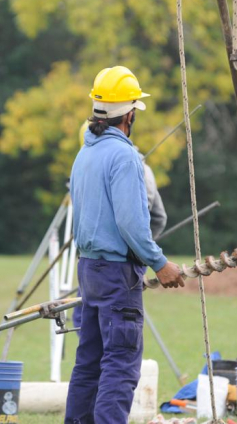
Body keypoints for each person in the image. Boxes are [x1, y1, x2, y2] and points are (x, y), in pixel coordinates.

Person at [65, 66, 184, 424]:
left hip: (87, 270)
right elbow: (132, 223)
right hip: (117, 275)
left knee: (88, 364)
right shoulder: (125, 156)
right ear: (130, 114)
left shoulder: (84, 155)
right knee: (120, 364)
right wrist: (160, 263)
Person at [71, 122, 168, 330]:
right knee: (119, 352)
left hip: (88, 265)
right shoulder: (131, 161)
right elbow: (155, 217)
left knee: (88, 344)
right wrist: (144, 254)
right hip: (120, 268)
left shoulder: (84, 158)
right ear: (129, 115)